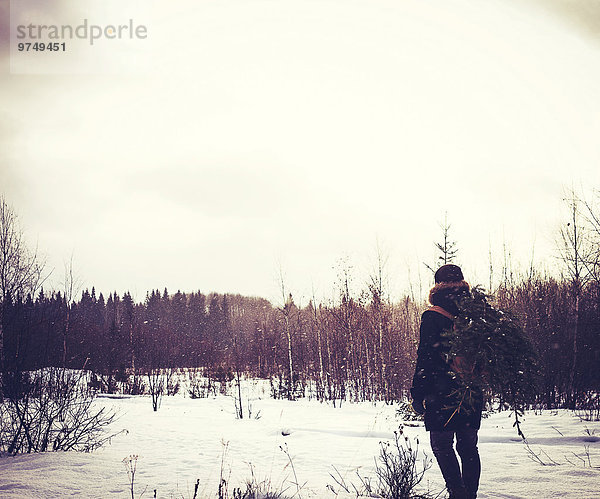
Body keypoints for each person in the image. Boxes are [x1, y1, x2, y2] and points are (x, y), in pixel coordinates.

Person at [410, 264, 483, 499]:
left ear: (437, 286)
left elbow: (426, 356)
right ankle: (469, 494)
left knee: (442, 445)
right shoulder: (477, 313)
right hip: (470, 389)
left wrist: (418, 393)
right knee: (468, 447)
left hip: (440, 390)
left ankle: (458, 493)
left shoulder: (433, 316)